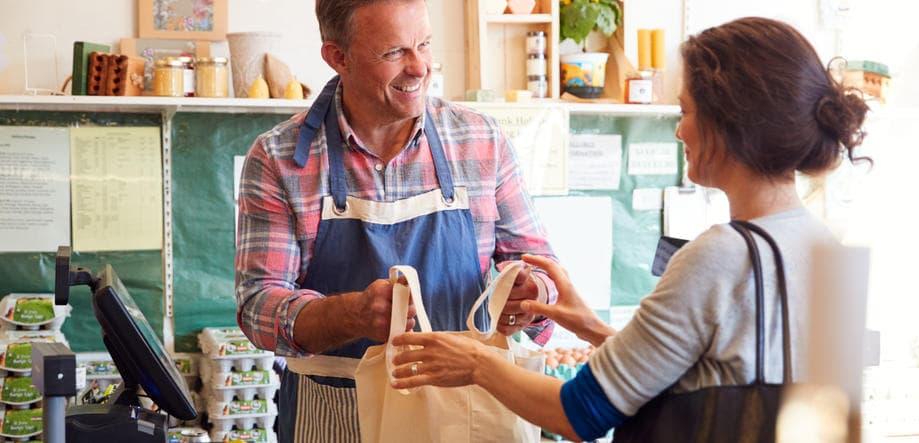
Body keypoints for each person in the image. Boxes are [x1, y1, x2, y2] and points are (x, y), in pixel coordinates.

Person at [390, 16, 870, 441]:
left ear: (729, 123)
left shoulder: (720, 255)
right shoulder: (823, 247)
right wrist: (594, 328)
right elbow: (728, 373)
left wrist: (477, 364)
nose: (680, 130)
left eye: (686, 111)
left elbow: (580, 414)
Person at [234, 0, 560, 441]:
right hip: (337, 413)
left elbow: (542, 271)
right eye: (393, 53)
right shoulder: (279, 159)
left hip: (464, 412)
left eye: (423, 44)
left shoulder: (479, 140)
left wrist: (530, 294)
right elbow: (257, 307)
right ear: (338, 57)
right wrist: (348, 315)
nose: (420, 67)